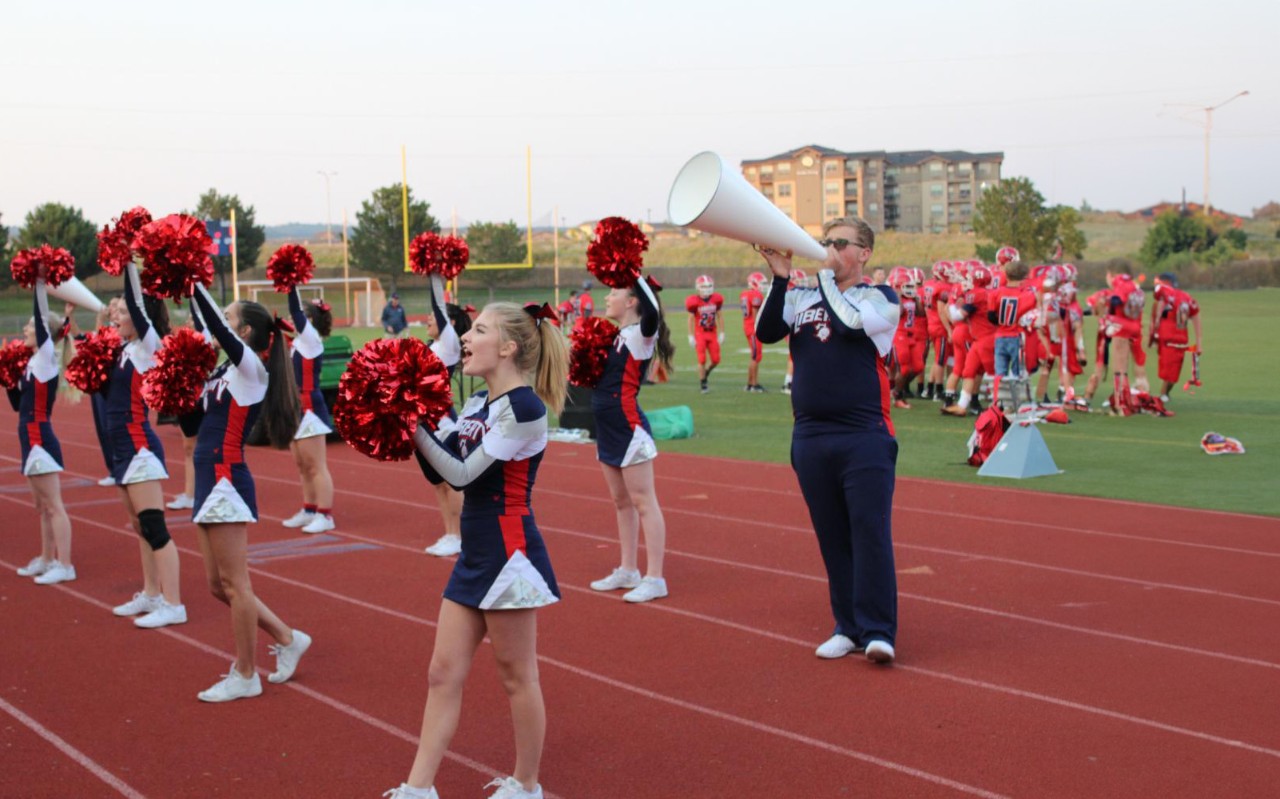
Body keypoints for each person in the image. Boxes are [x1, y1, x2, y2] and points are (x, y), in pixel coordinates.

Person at [386, 302, 568, 799]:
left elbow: (463, 475)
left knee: (516, 676)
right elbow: (438, 468)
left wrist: (417, 426)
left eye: (479, 330)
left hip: (510, 556)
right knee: (442, 673)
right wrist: (409, 416)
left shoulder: (526, 408)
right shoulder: (475, 407)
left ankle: (526, 783)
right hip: (476, 554)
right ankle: (419, 787)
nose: (466, 337)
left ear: (507, 348)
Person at [755, 216, 901, 665]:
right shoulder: (800, 295)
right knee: (832, 535)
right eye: (825, 242)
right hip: (811, 434)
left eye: (841, 243)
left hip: (865, 434)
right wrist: (781, 280)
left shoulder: (882, 298)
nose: (830, 249)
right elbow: (765, 332)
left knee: (869, 531)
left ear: (865, 253)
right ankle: (847, 626)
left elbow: (850, 326)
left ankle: (878, 629)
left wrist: (821, 277)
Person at [188, 284, 312, 702]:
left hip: (226, 480)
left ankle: (246, 673)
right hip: (208, 479)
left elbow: (215, 328)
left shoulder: (252, 370)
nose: (221, 320)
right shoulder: (225, 370)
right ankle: (286, 636)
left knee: (235, 584)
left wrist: (192, 281)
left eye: (228, 315)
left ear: (242, 332)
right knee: (216, 586)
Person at [107, 263, 185, 629]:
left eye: (122, 312)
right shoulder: (126, 348)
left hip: (140, 447)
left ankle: (174, 602)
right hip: (121, 449)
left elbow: (138, 305)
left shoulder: (148, 346)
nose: (117, 316)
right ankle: (152, 592)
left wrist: (127, 262)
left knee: (155, 528)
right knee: (139, 526)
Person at [588, 277, 675, 604]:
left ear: (631, 302)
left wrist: (633, 270)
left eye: (614, 292)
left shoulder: (641, 334)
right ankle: (628, 569)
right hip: (607, 428)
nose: (607, 297)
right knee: (620, 502)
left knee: (643, 501)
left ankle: (655, 577)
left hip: (629, 427)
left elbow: (652, 310)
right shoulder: (614, 336)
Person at [11, 278, 76, 585]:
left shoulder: (46, 358)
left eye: (29, 326)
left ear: (42, 334)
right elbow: (16, 404)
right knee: (41, 506)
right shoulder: (32, 362)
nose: (24, 330)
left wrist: (38, 283)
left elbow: (41, 319)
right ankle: (47, 558)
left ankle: (65, 564)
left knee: (54, 505)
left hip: (40, 439)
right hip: (29, 437)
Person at [420, 274, 472, 558]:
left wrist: (434, 278)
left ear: (450, 324)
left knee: (451, 482)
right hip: (425, 422)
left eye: (432, 316)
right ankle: (450, 532)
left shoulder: (449, 344)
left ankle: (461, 535)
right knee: (438, 484)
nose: (428, 319)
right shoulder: (431, 346)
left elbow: (439, 307)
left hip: (442, 423)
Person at [280, 288, 337, 534]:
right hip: (295, 406)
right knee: (302, 465)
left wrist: (290, 284)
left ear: (309, 321)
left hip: (310, 408)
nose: (292, 319)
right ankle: (309, 509)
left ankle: (325, 515)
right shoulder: (297, 342)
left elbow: (294, 309)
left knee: (316, 465)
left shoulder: (311, 338)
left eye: (299, 316)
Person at [1148, 273, 1201, 402]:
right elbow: (1195, 315)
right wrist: (1199, 341)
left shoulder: (1165, 295)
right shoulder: (1186, 297)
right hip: (1181, 339)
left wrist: (1153, 335)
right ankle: (1164, 394)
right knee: (1173, 373)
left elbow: (1156, 314)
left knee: (1169, 373)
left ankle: (1161, 396)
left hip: (1168, 338)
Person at [685, 274, 724, 394]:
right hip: (700, 333)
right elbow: (690, 319)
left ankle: (706, 372)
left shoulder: (716, 299)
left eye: (709, 286)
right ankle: (703, 384)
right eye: (704, 286)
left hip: (712, 332)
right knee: (701, 359)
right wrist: (691, 335)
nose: (707, 288)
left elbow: (719, 316)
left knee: (716, 360)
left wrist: (722, 332)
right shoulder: (694, 301)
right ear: (698, 287)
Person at [740, 271, 767, 392]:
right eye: (761, 283)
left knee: (754, 356)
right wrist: (759, 327)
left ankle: (750, 384)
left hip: (747, 325)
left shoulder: (744, 294)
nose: (763, 285)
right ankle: (754, 384)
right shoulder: (755, 295)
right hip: (753, 328)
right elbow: (756, 313)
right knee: (756, 356)